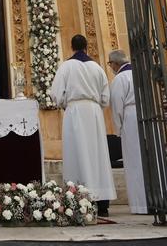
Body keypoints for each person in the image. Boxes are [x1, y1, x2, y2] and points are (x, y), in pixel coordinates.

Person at [50, 35, 116, 216]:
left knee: (76, 153)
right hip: (94, 113)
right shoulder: (97, 68)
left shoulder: (66, 67)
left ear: (71, 47)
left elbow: (56, 94)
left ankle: (78, 199)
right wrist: (95, 106)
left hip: (75, 112)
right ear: (86, 47)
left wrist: (65, 104)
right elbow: (105, 97)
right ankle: (102, 203)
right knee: (98, 156)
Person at [106, 49, 147, 214]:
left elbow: (116, 106)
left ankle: (140, 205)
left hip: (130, 118)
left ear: (115, 64)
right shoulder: (140, 74)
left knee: (134, 162)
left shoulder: (120, 79)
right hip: (147, 115)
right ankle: (156, 200)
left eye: (110, 64)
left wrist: (118, 129)